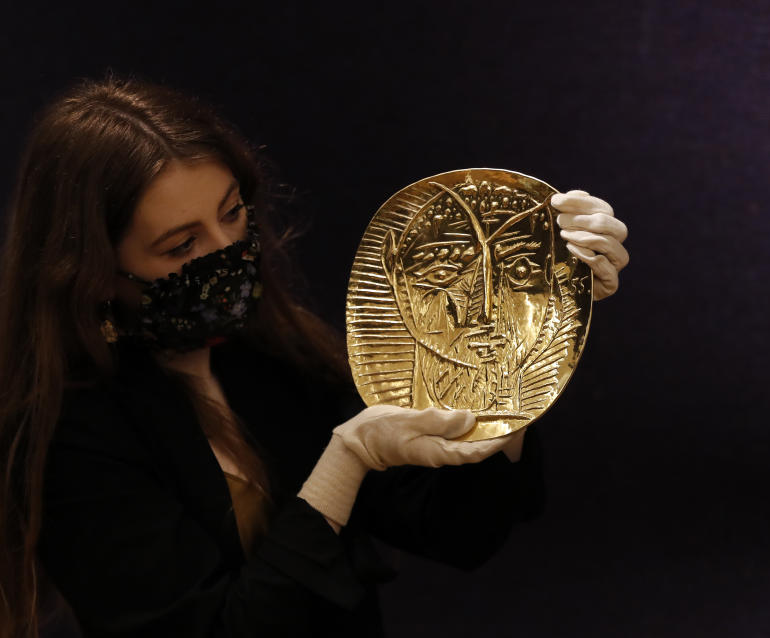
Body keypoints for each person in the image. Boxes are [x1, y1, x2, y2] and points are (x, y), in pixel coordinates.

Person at [0, 77, 629, 638]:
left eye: (231, 214)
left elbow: (457, 531)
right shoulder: (71, 433)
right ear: (95, 273)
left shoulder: (269, 357)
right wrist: (345, 462)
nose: (228, 253)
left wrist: (536, 331)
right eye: (181, 245)